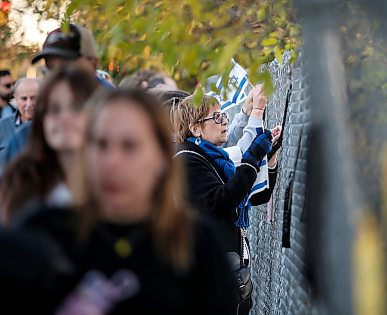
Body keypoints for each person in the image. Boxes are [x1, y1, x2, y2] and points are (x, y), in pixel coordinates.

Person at [20, 90, 237, 314]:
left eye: (130, 146)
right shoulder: (45, 233)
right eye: (101, 144)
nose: (113, 162)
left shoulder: (196, 242)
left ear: (161, 158)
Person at [171, 94, 280, 314]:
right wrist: (252, 156)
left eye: (224, 115)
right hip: (209, 280)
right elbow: (223, 201)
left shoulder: (212, 157)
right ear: (196, 129)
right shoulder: (187, 160)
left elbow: (255, 195)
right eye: (217, 117)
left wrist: (269, 158)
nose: (225, 121)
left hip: (225, 272)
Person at [0, 67, 98, 222]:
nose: (65, 117)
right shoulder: (21, 179)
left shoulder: (113, 177)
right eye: (54, 109)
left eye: (76, 107)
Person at [31, 23, 114, 90]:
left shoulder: (113, 105)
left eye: (66, 66)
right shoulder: (46, 105)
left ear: (93, 64)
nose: (57, 75)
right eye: (50, 67)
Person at [0, 78, 40, 158]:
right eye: (24, 99)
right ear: (16, 99)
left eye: (33, 98)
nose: (29, 104)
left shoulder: (50, 126)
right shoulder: (2, 126)